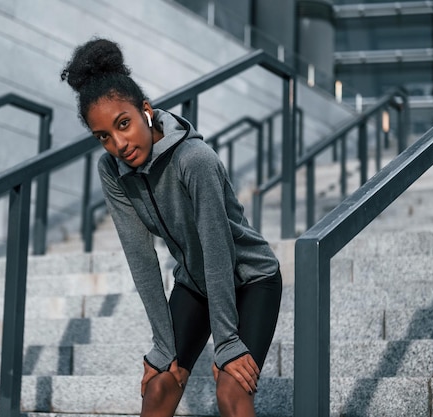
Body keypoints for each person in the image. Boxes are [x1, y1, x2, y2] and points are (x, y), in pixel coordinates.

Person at [61, 37, 282, 417]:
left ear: (146, 111)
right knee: (160, 384)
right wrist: (163, 345)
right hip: (195, 283)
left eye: (124, 124)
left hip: (250, 278)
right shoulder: (112, 170)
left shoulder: (194, 160)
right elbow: (141, 256)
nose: (119, 144)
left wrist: (227, 340)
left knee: (232, 385)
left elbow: (217, 249)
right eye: (104, 137)